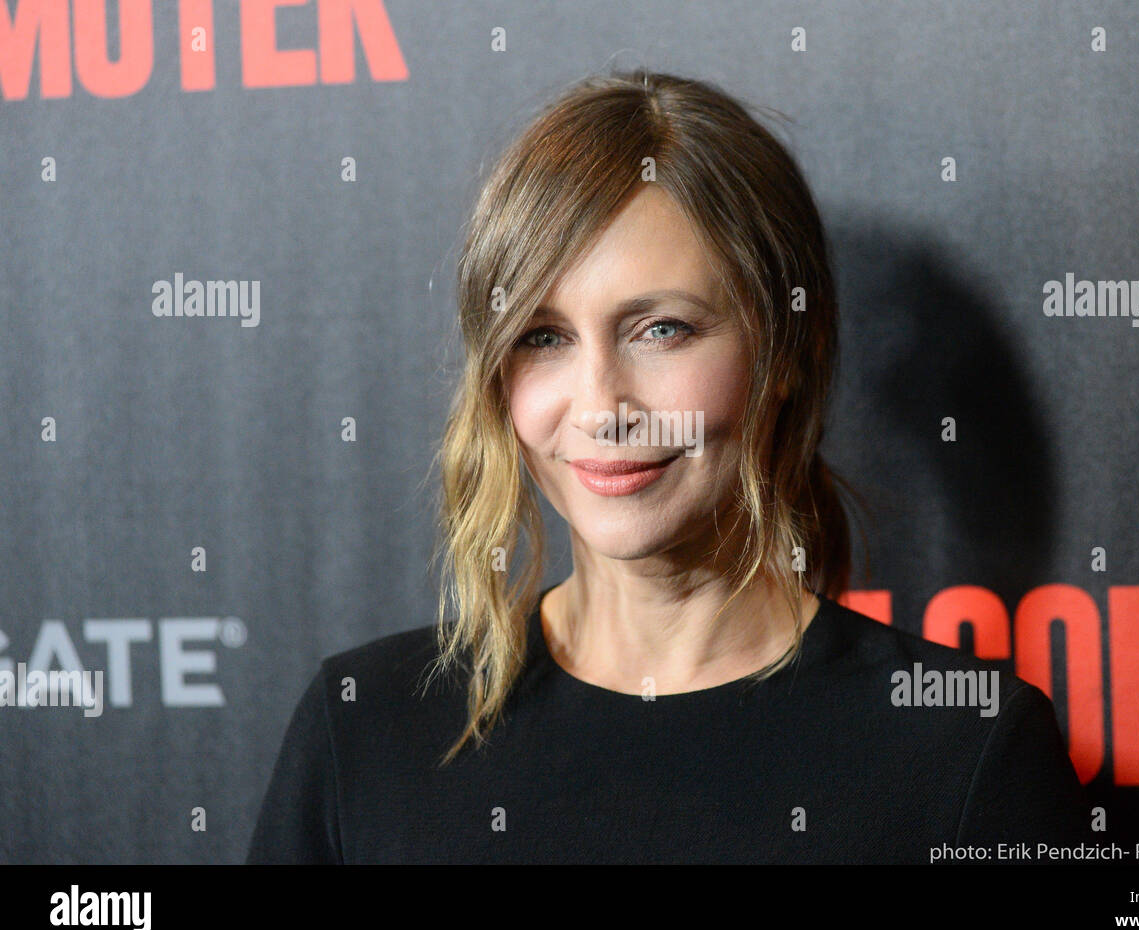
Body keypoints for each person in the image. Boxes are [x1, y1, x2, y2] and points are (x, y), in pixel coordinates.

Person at [246, 68, 1090, 864]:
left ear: (787, 348)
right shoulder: (363, 731)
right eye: (544, 337)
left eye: (662, 330)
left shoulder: (964, 753)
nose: (601, 405)